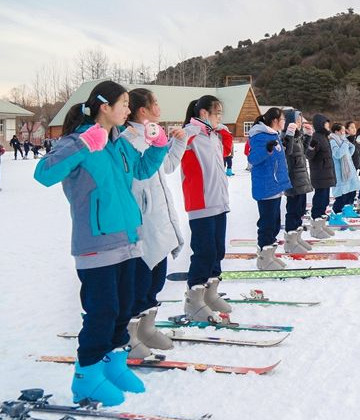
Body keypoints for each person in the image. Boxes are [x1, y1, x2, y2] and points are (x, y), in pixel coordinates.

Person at [33, 80, 168, 406]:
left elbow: (140, 169)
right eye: (123, 103)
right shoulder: (76, 141)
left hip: (128, 240)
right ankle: (87, 376)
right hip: (95, 244)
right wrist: (83, 144)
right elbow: (44, 173)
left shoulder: (118, 142)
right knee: (102, 312)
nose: (127, 109)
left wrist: (160, 145)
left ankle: (114, 364)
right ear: (104, 107)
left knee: (124, 307)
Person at [124, 88, 205, 359]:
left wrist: (178, 142)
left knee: (156, 277)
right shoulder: (128, 139)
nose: (159, 106)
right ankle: (130, 333)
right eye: (154, 102)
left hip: (159, 215)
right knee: (140, 278)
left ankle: (147, 327)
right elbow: (135, 177)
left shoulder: (153, 133)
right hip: (141, 219)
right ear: (142, 110)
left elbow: (167, 166)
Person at [180, 95, 232, 321]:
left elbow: (227, 151)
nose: (220, 118)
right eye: (217, 113)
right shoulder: (190, 134)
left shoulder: (213, 135)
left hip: (218, 200)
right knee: (204, 251)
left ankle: (210, 292)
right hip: (201, 202)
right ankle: (194, 298)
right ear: (203, 114)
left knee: (218, 250)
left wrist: (223, 130)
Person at [248, 107, 292, 268]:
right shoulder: (260, 135)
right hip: (266, 186)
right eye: (282, 119)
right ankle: (264, 258)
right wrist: (267, 149)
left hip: (275, 186)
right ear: (275, 120)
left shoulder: (274, 135)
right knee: (267, 224)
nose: (284, 122)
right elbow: (253, 158)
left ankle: (269, 254)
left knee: (274, 223)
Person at [282, 109, 314, 253]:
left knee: (300, 210)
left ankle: (297, 237)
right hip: (293, 179)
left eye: (300, 120)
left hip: (302, 178)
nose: (300, 123)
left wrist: (308, 136)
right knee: (293, 210)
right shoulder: (285, 136)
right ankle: (290, 240)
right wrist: (288, 135)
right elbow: (287, 152)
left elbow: (303, 152)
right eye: (297, 120)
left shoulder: (297, 137)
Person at [305, 114, 337, 238]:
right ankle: (315, 226)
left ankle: (321, 224)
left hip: (326, 174)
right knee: (319, 200)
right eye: (325, 124)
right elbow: (309, 155)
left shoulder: (324, 137)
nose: (328, 126)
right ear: (320, 125)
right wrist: (311, 147)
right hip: (320, 174)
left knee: (324, 200)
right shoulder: (317, 137)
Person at [329, 123, 360, 223]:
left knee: (350, 192)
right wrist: (344, 144)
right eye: (342, 131)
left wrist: (349, 146)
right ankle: (335, 216)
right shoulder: (333, 141)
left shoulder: (343, 140)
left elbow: (348, 152)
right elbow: (338, 154)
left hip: (347, 171)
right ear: (336, 132)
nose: (344, 133)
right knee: (341, 196)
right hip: (339, 173)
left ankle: (347, 210)